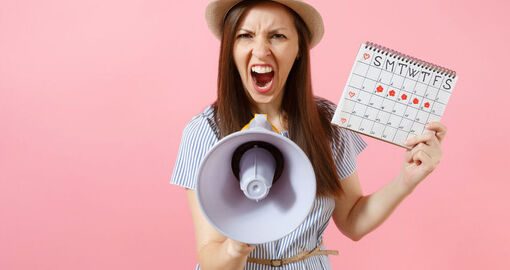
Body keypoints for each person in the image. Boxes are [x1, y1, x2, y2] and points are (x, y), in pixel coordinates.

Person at [171, 0, 448, 269]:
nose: (261, 50)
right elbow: (211, 259)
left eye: (277, 36)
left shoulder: (326, 123)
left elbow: (352, 221)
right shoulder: (205, 131)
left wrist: (406, 181)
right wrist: (237, 241)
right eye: (245, 36)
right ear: (230, 48)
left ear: (299, 49)